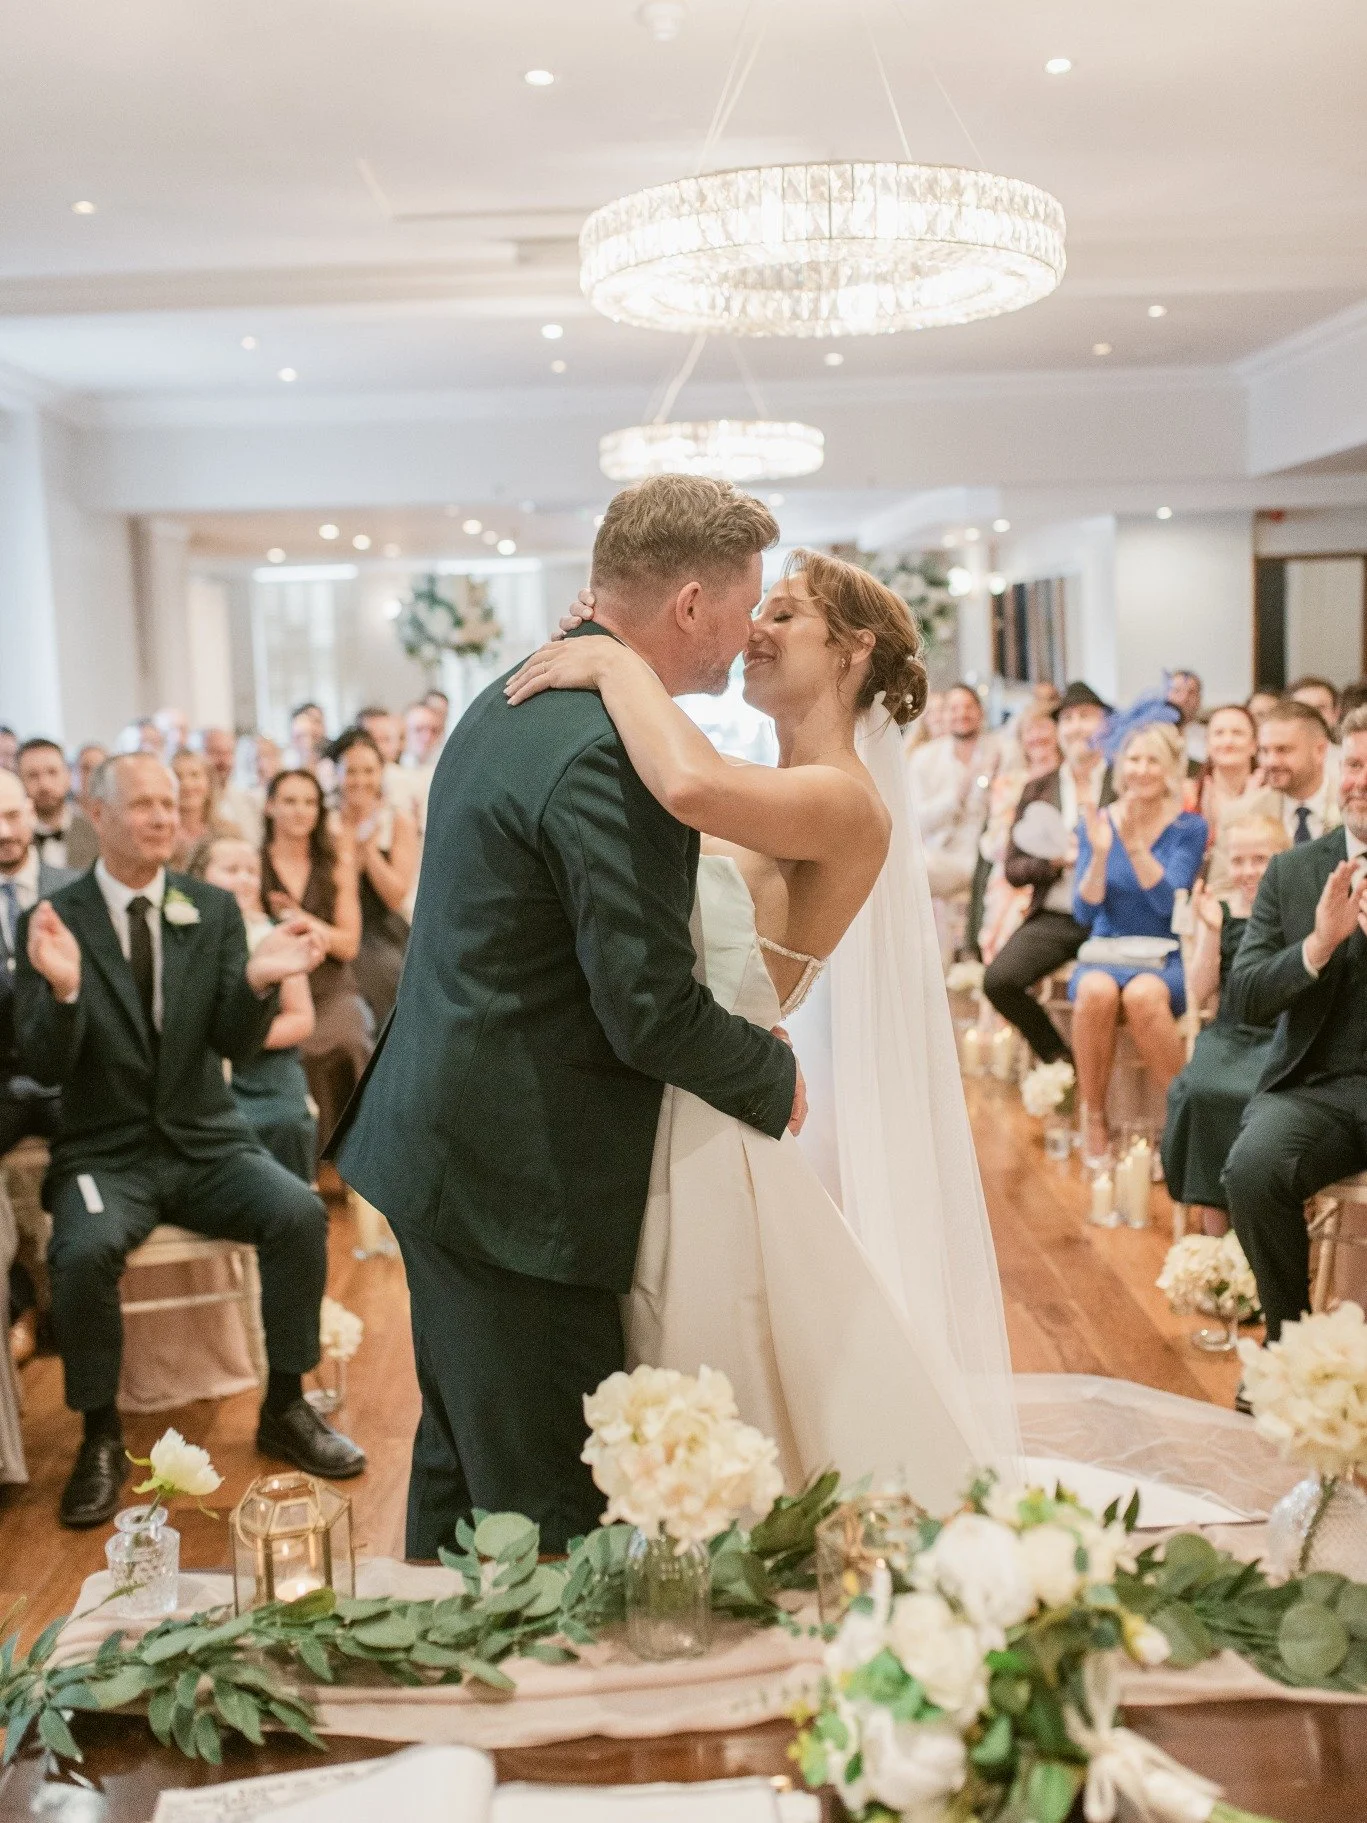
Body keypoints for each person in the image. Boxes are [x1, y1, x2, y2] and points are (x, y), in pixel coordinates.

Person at [491, 519, 1020, 1519]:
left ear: (853, 651)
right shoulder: (767, 781)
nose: (755, 631)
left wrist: (609, 659)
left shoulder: (843, 801)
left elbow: (682, 786)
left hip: (709, 1112)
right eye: (756, 609)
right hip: (674, 1081)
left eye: (783, 613)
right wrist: (618, 637)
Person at [330, 479, 808, 1556]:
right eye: (744, 604)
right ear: (690, 604)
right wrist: (770, 1075)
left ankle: (453, 1694)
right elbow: (643, 1005)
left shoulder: (515, 692)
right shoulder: (609, 747)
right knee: (544, 1506)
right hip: (511, 1171)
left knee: (464, 1470)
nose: (747, 631)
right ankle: (542, 1716)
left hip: (450, 1141)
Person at [15, 753, 364, 1526]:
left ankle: (284, 1404)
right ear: (97, 815)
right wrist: (67, 990)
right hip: (106, 1151)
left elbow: (231, 1037)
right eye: (142, 804)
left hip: (208, 1141)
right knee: (80, 1249)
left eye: (170, 804)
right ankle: (100, 1434)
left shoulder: (208, 908)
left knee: (299, 1213)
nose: (163, 817)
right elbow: (39, 1061)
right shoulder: (53, 916)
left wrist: (258, 980)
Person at [1222, 708, 1367, 1347]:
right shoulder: (1297, 871)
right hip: (1321, 1090)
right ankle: (1290, 1349)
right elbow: (1246, 995)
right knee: (1252, 1168)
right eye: (1356, 765)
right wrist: (1316, 945)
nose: (1360, 781)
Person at [1070, 722, 1207, 1165]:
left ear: (1171, 769)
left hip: (1164, 952)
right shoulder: (1096, 822)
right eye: (1134, 759)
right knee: (1095, 991)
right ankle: (1094, 1117)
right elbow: (1084, 912)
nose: (1141, 769)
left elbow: (1171, 904)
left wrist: (1134, 847)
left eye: (1152, 760)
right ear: (1120, 766)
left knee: (1145, 995)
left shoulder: (1189, 827)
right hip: (1107, 947)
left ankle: (1184, 1125)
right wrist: (1102, 854)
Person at [1160, 814, 1289, 1236]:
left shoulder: (1296, 910)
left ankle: (1260, 1228)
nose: (1248, 871)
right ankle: (1215, 1238)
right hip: (1230, 1030)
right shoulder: (1222, 909)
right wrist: (1212, 933)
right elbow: (1199, 989)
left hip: (1281, 1036)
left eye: (1260, 859)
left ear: (1283, 859)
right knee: (1199, 1091)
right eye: (1239, 861)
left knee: (1256, 1099)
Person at [982, 681, 1111, 1065]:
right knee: (998, 981)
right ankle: (1060, 1061)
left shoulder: (1124, 779)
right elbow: (1015, 869)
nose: (1076, 727)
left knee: (1104, 992)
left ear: (1105, 724)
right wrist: (1055, 863)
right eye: (1068, 719)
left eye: (1086, 716)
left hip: (1111, 914)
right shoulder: (1040, 787)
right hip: (1057, 915)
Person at [260, 768, 371, 1152]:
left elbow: (348, 943)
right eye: (289, 801)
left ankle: (358, 1154)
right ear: (270, 806)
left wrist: (299, 917)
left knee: (352, 1036)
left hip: (331, 986)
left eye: (309, 802)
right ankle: (306, 1159)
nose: (300, 811)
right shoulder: (256, 864)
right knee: (295, 1046)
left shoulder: (333, 863)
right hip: (280, 990)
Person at [195, 837, 317, 1182]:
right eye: (231, 870)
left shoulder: (273, 937)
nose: (245, 880)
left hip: (265, 1065)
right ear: (199, 877)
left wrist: (240, 1035)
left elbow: (301, 1018)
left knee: (287, 1123)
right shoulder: (183, 935)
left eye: (251, 871)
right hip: (200, 1065)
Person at [0, 770, 76, 1159]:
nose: (4, 831)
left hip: (71, 1080)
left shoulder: (77, 890)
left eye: (13, 815)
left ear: (31, 813)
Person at [909, 682, 998, 960]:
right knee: (905, 869)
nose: (962, 714)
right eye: (954, 708)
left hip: (988, 858)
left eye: (969, 707)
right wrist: (954, 799)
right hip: (941, 857)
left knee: (912, 872)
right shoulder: (925, 758)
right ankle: (922, 966)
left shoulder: (1001, 750)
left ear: (981, 712)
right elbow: (917, 821)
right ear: (944, 716)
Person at [334, 730, 417, 1020]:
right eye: (351, 771)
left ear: (381, 772)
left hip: (381, 926)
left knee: (384, 971)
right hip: (334, 920)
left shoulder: (396, 821)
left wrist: (367, 850)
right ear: (336, 774)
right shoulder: (324, 820)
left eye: (369, 771)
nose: (360, 780)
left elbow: (395, 896)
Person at [1212, 700, 1339, 883]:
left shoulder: (1352, 805)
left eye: (1283, 750)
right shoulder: (1239, 813)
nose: (1270, 762)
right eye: (1264, 751)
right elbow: (1221, 891)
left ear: (1319, 750)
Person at [975, 708, 1060, 964]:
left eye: (1044, 728)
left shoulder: (1069, 780)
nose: (1037, 736)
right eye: (1030, 731)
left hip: (1059, 870)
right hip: (1014, 869)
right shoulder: (1009, 784)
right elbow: (993, 843)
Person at [1189, 704, 1259, 888]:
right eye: (1219, 733)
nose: (1228, 741)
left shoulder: (1268, 795)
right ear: (1207, 744)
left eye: (1237, 733)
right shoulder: (1189, 796)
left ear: (1254, 745)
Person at [17, 739, 99, 872]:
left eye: (52, 772)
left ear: (68, 776)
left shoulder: (95, 832)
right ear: (19, 781)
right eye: (32, 775)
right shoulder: (13, 840)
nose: (44, 784)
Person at [170, 748, 240, 869]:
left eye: (195, 775)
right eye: (178, 777)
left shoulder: (228, 833)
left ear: (209, 783)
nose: (187, 784)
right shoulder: (161, 834)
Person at [198, 727, 263, 845]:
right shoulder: (193, 801)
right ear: (202, 753)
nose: (223, 760)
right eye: (216, 752)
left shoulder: (247, 801)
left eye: (228, 753)